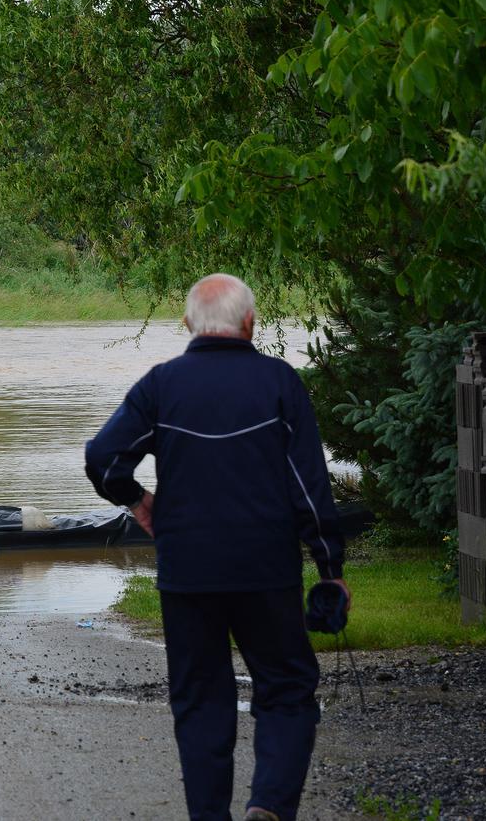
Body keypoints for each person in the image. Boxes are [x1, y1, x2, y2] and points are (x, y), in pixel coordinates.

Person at [84, 273, 347, 821]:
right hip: (266, 568)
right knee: (288, 687)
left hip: (189, 571)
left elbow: (104, 456)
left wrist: (136, 501)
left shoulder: (160, 385)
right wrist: (329, 566)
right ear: (250, 323)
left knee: (201, 698)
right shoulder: (280, 382)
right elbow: (308, 487)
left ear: (187, 325)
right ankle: (270, 804)